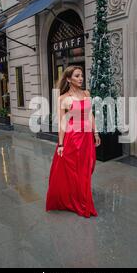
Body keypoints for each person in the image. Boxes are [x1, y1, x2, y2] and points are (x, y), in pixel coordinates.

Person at [46, 66, 101, 218]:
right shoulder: (63, 98)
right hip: (73, 138)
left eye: (81, 75)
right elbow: (62, 123)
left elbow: (90, 115)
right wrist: (61, 144)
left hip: (86, 139)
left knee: (88, 167)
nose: (81, 78)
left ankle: (80, 196)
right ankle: (80, 201)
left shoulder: (86, 93)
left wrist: (95, 132)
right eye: (77, 76)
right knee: (75, 171)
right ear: (69, 79)